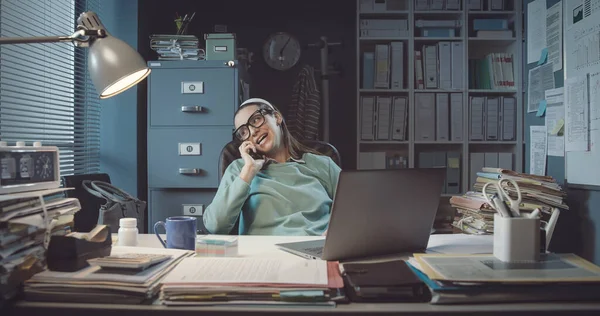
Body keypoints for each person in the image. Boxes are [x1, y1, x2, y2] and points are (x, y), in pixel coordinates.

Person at [203, 98, 341, 236]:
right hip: (266, 252)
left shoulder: (322, 164)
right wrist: (249, 171)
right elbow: (215, 225)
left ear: (277, 117)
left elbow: (356, 208)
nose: (253, 131)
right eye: (244, 132)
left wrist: (334, 233)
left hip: (318, 249)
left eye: (256, 119)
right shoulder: (240, 169)